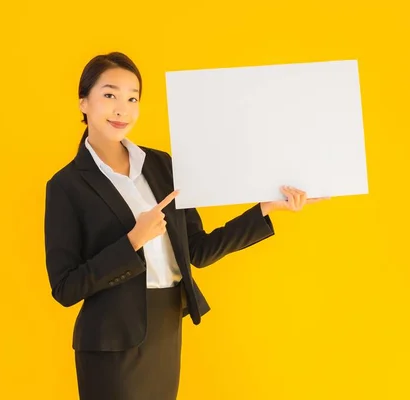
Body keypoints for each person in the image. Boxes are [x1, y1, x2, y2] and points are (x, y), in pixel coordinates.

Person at [43, 51, 328, 400]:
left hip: (165, 328)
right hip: (109, 342)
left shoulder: (162, 166)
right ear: (83, 102)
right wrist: (133, 240)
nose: (122, 109)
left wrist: (266, 209)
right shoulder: (66, 186)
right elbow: (66, 287)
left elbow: (198, 250)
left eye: (133, 98)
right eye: (109, 95)